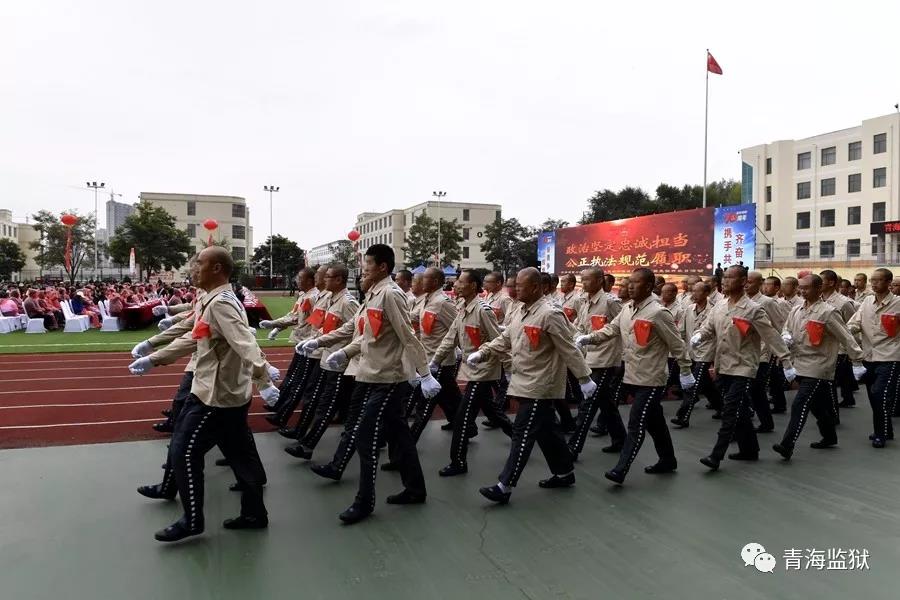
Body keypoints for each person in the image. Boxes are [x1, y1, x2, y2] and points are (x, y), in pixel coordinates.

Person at [128, 246, 277, 542]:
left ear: (217, 269)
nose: (193, 269)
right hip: (223, 391)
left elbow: (244, 343)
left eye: (199, 263)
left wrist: (264, 381)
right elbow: (194, 336)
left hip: (215, 395)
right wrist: (154, 355)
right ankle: (254, 513)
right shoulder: (213, 300)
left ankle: (193, 519)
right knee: (239, 454)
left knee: (182, 450)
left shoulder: (220, 303)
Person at [323, 244, 440, 524]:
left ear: (383, 267)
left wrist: (425, 374)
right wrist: (343, 352)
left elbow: (408, 336)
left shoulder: (390, 294)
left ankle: (364, 501)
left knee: (366, 436)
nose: (364, 268)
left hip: (388, 377)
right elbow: (366, 336)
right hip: (370, 374)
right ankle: (415, 489)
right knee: (399, 434)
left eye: (368, 264)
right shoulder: (373, 293)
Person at [469, 267, 595, 503]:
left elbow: (568, 348)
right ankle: (564, 472)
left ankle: (504, 485)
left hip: (541, 384)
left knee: (522, 432)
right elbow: (505, 339)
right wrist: (483, 352)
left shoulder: (550, 314)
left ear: (535, 287)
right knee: (547, 431)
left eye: (520, 286)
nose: (515, 289)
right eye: (515, 285)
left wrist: (584, 378)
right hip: (524, 380)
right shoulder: (521, 310)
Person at [578, 267, 694, 485]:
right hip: (632, 375)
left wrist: (686, 370)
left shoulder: (658, 312)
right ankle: (668, 459)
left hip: (651, 378)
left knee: (636, 423)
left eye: (635, 282)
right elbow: (611, 329)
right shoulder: (627, 309)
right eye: (628, 282)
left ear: (649, 286)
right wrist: (588, 338)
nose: (630, 286)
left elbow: (676, 344)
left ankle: (620, 469)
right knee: (655, 422)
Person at [691, 267, 792, 470]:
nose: (725, 281)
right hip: (723, 365)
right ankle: (749, 449)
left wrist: (787, 362)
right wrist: (699, 335)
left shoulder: (753, 309)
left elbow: (771, 335)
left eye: (730, 277)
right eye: (724, 277)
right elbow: (709, 327)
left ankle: (716, 455)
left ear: (743, 281)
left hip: (744, 366)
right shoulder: (719, 306)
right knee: (740, 409)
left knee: (730, 409)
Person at [774, 274, 865, 461]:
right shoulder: (797, 310)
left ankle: (787, 445)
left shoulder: (828, 312)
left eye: (806, 288)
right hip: (800, 362)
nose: (802, 291)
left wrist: (857, 360)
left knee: (800, 403)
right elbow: (786, 328)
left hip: (819, 365)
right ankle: (829, 436)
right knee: (818, 406)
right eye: (800, 287)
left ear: (818, 288)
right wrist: (786, 336)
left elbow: (846, 337)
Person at [430, 270, 512, 476]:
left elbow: (499, 341)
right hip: (470, 369)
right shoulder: (462, 307)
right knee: (492, 410)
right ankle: (519, 436)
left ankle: (458, 462)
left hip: (484, 370)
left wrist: (510, 370)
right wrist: (435, 362)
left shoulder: (483, 310)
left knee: (463, 416)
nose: (456, 285)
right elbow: (450, 339)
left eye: (460, 282)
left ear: (473, 286)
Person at [285, 264, 360, 459]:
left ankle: (307, 445)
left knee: (327, 405)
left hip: (338, 362)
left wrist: (346, 355)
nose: (324, 279)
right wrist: (313, 341)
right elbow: (325, 327)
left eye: (328, 277)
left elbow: (356, 331)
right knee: (326, 402)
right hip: (327, 357)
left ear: (339, 280)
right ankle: (305, 441)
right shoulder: (332, 300)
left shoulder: (347, 302)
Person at [567, 267, 625, 459]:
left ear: (600, 281)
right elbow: (580, 326)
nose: (584, 283)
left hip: (605, 358)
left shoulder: (610, 302)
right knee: (605, 402)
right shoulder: (584, 301)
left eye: (588, 279)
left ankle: (573, 447)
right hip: (588, 356)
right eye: (582, 279)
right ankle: (620, 439)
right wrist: (576, 335)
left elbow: (621, 326)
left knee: (588, 403)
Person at [848, 268, 900, 447]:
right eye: (872, 280)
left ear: (888, 283)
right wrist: (844, 332)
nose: (874, 283)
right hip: (869, 356)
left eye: (878, 280)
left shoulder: (898, 303)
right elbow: (855, 323)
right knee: (873, 395)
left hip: (891, 356)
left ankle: (880, 434)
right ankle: (887, 429)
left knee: (879, 393)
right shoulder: (867, 302)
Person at [259, 267, 319, 414]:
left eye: (300, 278)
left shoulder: (313, 297)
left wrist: (274, 324)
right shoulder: (303, 295)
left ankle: (284, 405)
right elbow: (292, 316)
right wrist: (276, 327)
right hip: (301, 341)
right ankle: (281, 402)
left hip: (307, 343)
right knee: (295, 375)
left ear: (309, 281)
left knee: (299, 377)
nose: (297, 281)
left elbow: (300, 320)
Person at [671, 281, 721, 427]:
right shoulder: (689, 309)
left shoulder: (714, 310)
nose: (694, 294)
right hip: (691, 351)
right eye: (693, 291)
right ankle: (721, 407)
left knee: (695, 384)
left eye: (697, 291)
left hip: (706, 351)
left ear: (706, 293)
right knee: (706, 384)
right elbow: (682, 329)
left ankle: (683, 416)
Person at [821, 270, 858, 411]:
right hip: (823, 346)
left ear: (831, 283)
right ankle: (842, 402)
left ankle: (833, 410)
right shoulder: (818, 300)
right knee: (834, 379)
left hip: (840, 348)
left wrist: (851, 350)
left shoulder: (844, 303)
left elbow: (852, 325)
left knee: (831, 380)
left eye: (821, 281)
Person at [762, 276, 791, 414]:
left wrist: (781, 343)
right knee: (773, 375)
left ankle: (778, 402)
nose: (765, 287)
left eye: (769, 285)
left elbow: (782, 324)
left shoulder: (780, 303)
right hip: (763, 344)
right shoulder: (762, 301)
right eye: (764, 284)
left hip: (773, 344)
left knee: (770, 375)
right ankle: (778, 401)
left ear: (777, 288)